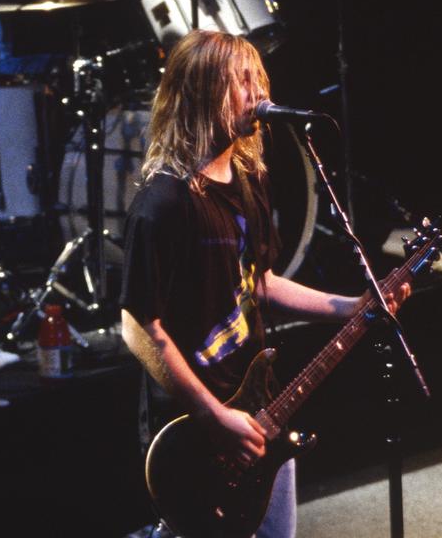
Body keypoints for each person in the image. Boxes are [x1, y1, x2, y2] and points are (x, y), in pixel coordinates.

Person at [118, 30, 409, 537]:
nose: (257, 94)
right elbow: (137, 327)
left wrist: (353, 306)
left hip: (261, 408)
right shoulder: (164, 203)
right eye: (240, 81)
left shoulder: (248, 183)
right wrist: (213, 417)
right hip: (195, 424)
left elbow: (261, 282)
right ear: (202, 93)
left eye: (258, 79)